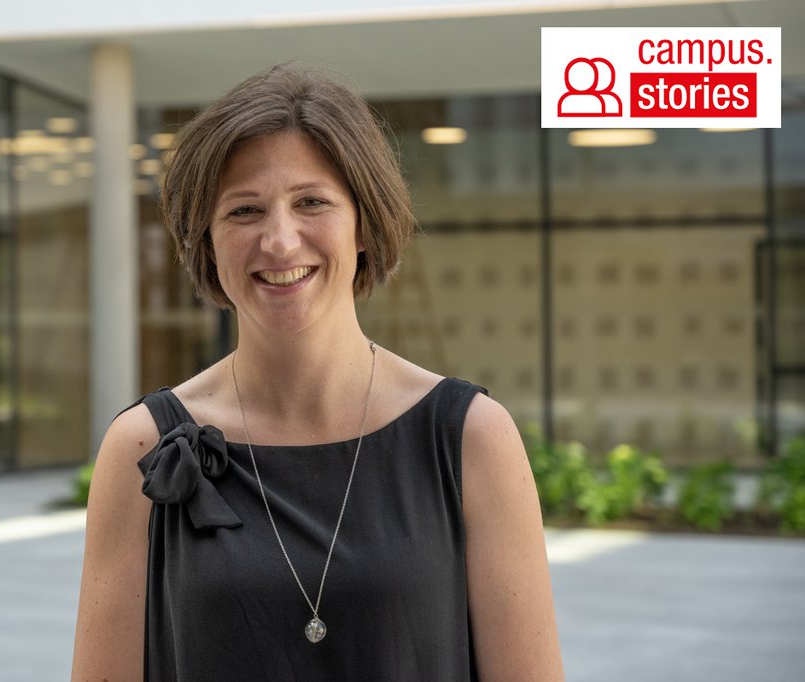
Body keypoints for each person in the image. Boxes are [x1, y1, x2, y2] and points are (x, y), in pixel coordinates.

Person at [72, 63, 564, 681]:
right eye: (244, 210)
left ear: (364, 222)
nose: (279, 242)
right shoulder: (141, 448)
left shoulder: (470, 439)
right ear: (206, 239)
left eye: (311, 202)